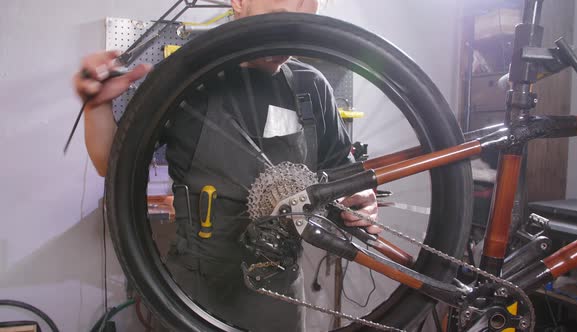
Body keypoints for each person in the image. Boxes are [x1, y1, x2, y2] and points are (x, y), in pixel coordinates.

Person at [74, 1, 379, 330]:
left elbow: (343, 174)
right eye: (278, 19)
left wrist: (360, 198)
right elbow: (111, 165)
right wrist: (97, 106)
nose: (288, 40)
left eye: (302, 24)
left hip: (281, 297)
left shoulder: (311, 86)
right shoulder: (183, 79)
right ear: (240, 3)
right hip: (194, 296)